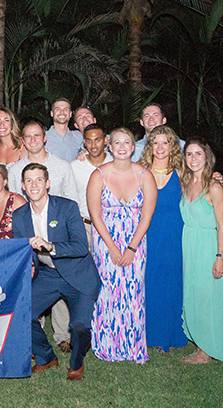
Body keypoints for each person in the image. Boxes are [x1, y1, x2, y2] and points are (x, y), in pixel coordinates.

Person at [12, 163, 101, 380]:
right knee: (20, 313)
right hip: (48, 275)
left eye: (39, 179)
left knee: (80, 326)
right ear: (23, 186)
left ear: (48, 183)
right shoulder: (19, 216)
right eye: (29, 181)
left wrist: (51, 246)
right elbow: (22, 251)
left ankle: (77, 361)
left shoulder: (68, 207)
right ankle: (46, 357)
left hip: (77, 274)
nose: (34, 185)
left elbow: (81, 247)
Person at [87, 127, 157, 364]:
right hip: (106, 241)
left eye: (127, 142)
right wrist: (112, 248)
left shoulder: (145, 175)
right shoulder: (99, 175)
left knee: (133, 292)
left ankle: (133, 345)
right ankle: (106, 343)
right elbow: (95, 215)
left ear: (133, 146)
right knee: (107, 292)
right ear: (109, 146)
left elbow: (147, 216)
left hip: (135, 241)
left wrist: (131, 248)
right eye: (117, 142)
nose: (122, 146)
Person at [8, 120, 77, 351]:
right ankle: (35, 333)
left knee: (61, 279)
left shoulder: (61, 165)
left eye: (37, 135)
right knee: (37, 279)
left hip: (60, 233)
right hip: (31, 229)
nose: (33, 140)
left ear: (45, 137)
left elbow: (72, 199)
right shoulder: (15, 169)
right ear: (23, 141)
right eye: (28, 136)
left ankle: (62, 335)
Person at [180, 138, 223, 364]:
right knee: (192, 295)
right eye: (189, 154)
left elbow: (222, 225)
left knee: (205, 297)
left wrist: (220, 257)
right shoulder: (185, 182)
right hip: (188, 244)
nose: (194, 159)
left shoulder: (214, 187)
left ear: (207, 157)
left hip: (207, 246)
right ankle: (199, 344)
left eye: (198, 154)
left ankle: (205, 351)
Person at [136, 125, 189, 353]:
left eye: (165, 142)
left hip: (173, 236)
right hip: (146, 235)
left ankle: (167, 335)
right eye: (155, 142)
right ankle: (146, 334)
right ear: (149, 145)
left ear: (173, 146)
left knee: (170, 284)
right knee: (146, 283)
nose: (160, 147)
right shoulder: (138, 171)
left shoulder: (183, 173)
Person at [70, 124, 112, 244]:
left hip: (111, 225)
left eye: (97, 140)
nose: (93, 146)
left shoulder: (115, 163)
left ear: (105, 140)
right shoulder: (75, 166)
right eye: (89, 141)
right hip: (85, 226)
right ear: (84, 142)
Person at [45, 98, 83, 162]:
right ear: (52, 113)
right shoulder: (43, 137)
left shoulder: (78, 136)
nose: (62, 112)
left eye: (65, 109)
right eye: (58, 109)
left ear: (70, 114)